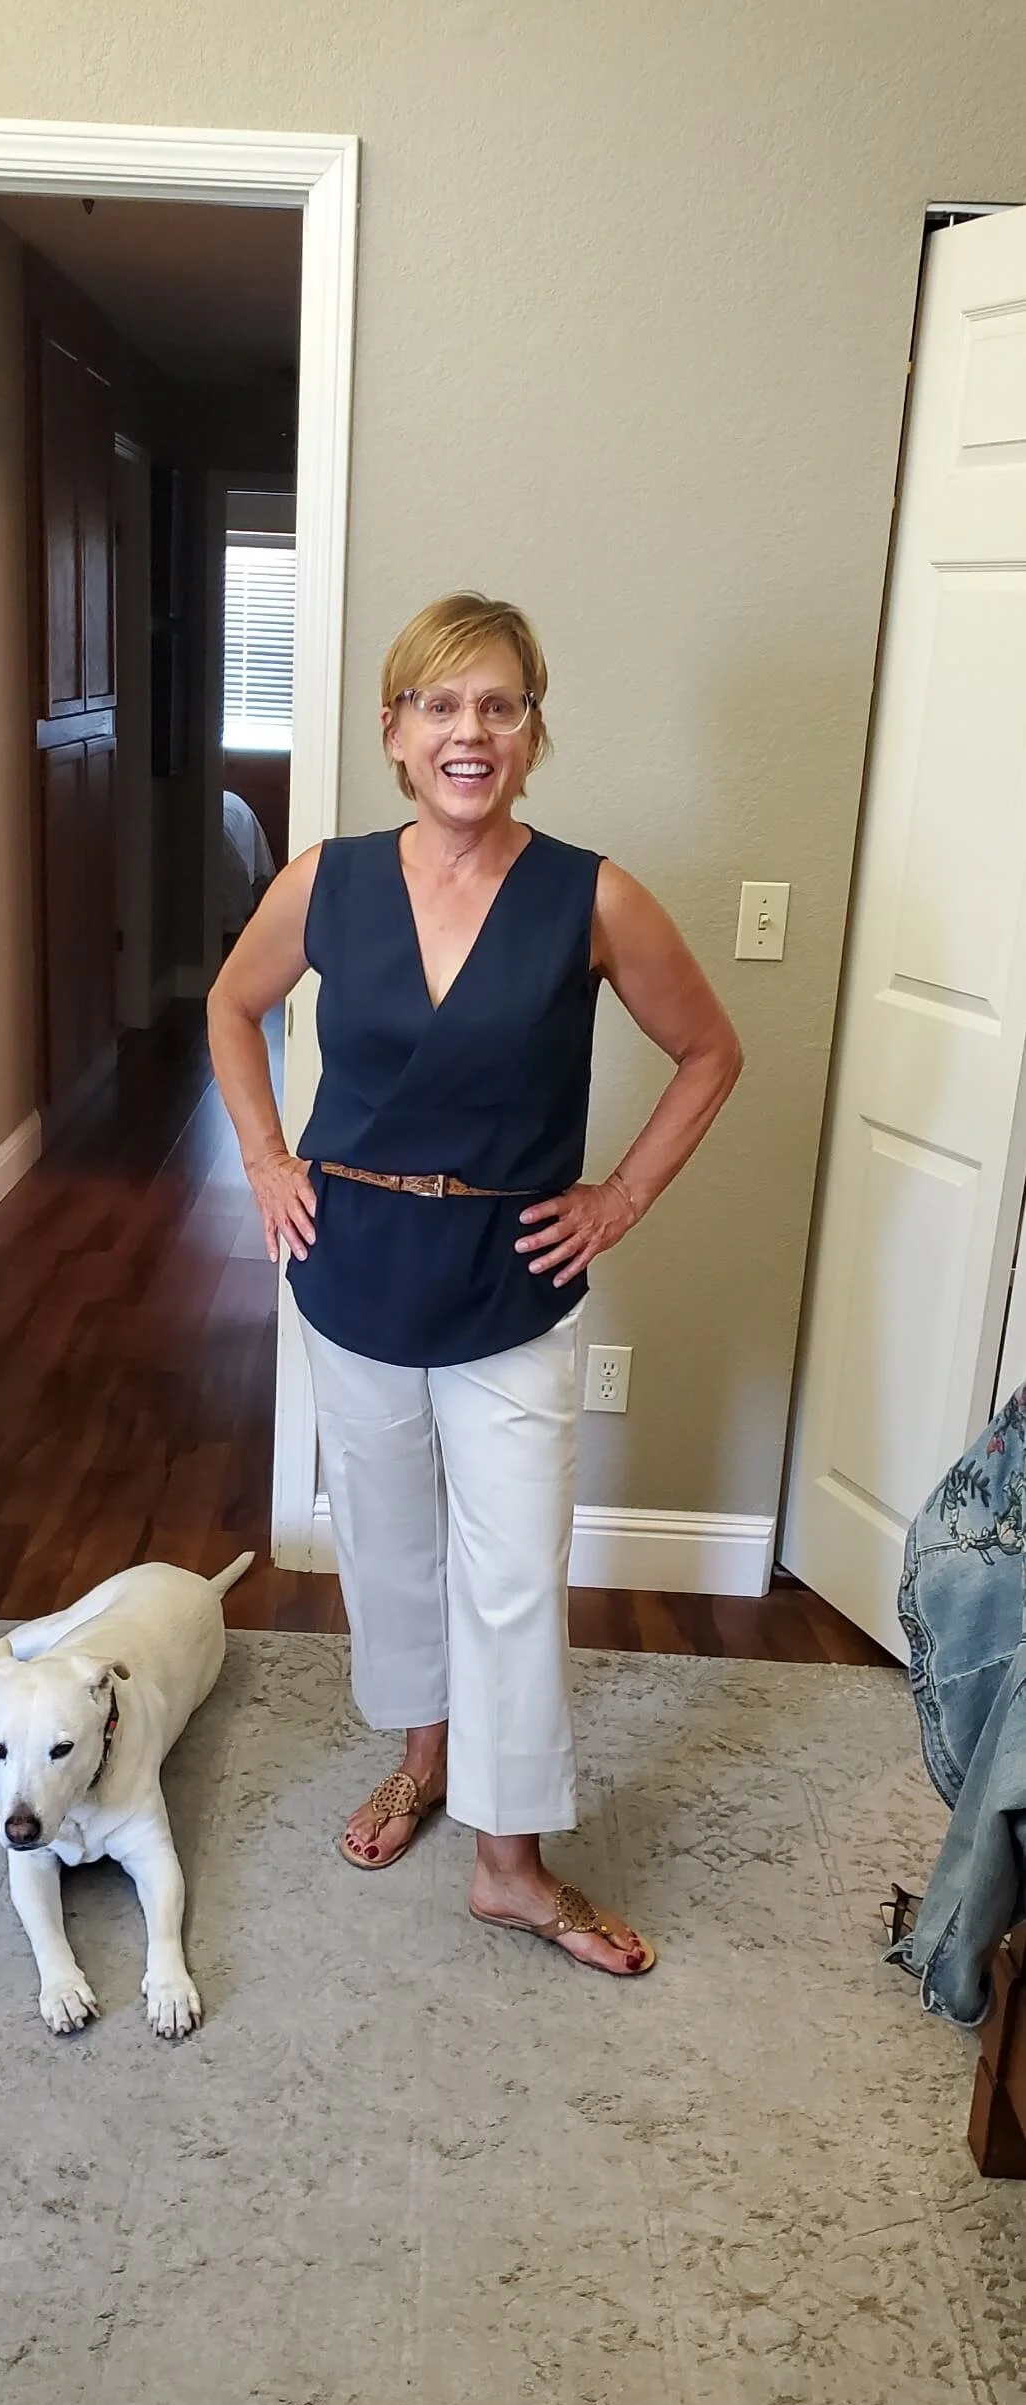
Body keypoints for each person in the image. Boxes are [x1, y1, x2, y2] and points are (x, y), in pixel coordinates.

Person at [208, 592, 742, 1977]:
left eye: (497, 705)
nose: (469, 731)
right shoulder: (324, 880)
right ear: (394, 735)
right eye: (439, 705)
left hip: (509, 1282)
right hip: (352, 1266)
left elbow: (708, 1053)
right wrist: (265, 1156)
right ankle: (421, 1757)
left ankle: (510, 1860)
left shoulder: (590, 894)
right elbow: (230, 1004)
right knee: (387, 1547)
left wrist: (618, 1196)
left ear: (530, 733)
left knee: (510, 1573)